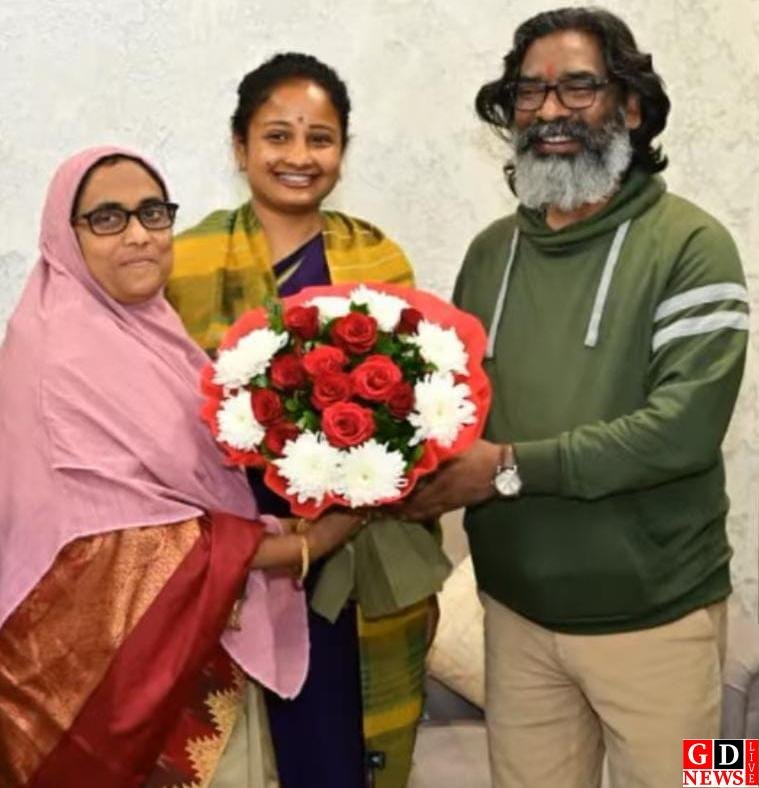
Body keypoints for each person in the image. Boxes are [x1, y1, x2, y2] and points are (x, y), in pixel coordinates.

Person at [399, 7, 748, 787]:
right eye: (529, 92)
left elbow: (681, 432)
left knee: (717, 781)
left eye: (578, 87)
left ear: (631, 107)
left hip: (661, 620)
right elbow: (453, 411)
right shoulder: (490, 252)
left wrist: (505, 468)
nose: (549, 110)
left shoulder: (694, 245)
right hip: (514, 617)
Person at [0, 146, 362, 788]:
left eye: (152, 213)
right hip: (109, 683)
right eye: (107, 218)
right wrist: (308, 545)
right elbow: (114, 542)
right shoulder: (57, 356)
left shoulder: (156, 333)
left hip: (198, 641)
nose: (139, 235)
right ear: (65, 236)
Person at [165, 53, 432, 788]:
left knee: (335, 749)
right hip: (232, 558)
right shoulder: (181, 265)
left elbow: (415, 416)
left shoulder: (378, 259)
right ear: (240, 146)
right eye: (277, 136)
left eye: (320, 138)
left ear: (343, 150)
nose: (299, 156)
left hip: (353, 550)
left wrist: (336, 524)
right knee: (234, 755)